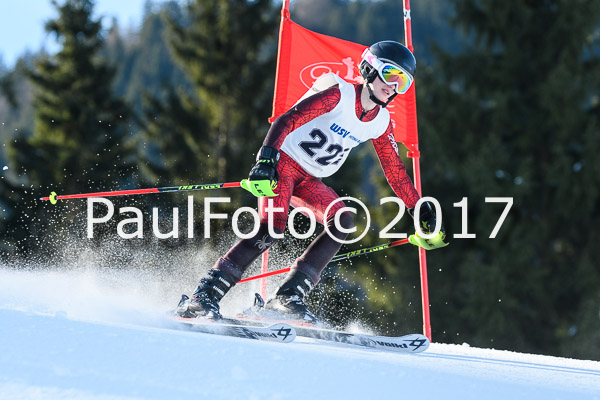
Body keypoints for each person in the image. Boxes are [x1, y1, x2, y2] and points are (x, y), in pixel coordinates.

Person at [180, 40, 448, 323]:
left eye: (403, 82)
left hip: (309, 178)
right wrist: (266, 160)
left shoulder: (380, 121)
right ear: (370, 69)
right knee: (271, 227)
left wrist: (419, 210)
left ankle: (287, 298)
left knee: (343, 220)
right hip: (283, 164)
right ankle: (203, 296)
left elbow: (394, 170)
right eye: (390, 74)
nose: (394, 86)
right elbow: (287, 120)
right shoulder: (340, 95)